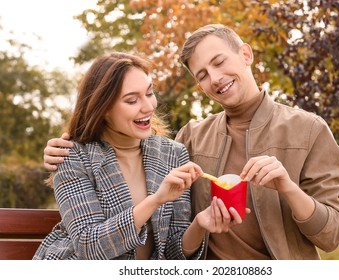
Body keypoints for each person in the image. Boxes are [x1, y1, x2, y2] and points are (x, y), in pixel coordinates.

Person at [42, 24, 339, 260]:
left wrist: (287, 187)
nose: (215, 78)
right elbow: (125, 147)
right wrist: (64, 149)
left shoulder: (309, 130)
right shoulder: (190, 138)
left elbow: (332, 236)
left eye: (219, 62)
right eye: (202, 74)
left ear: (246, 54)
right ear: (200, 86)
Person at [34, 52, 240, 260]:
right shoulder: (72, 157)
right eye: (132, 100)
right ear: (103, 109)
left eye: (149, 93)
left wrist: (199, 225)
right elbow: (89, 246)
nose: (149, 107)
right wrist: (155, 200)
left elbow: (173, 254)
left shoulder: (173, 154)